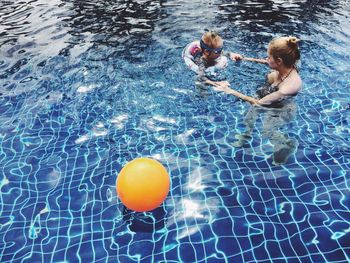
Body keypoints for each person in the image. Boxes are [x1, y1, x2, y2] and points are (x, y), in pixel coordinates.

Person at [207, 36, 302, 165]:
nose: (266, 59)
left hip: (281, 106)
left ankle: (287, 145)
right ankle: (246, 135)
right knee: (248, 117)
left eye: (269, 57)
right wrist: (245, 59)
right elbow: (266, 62)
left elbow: (259, 103)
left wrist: (229, 91)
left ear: (279, 61)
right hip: (270, 91)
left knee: (267, 131)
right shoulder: (288, 61)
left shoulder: (288, 87)